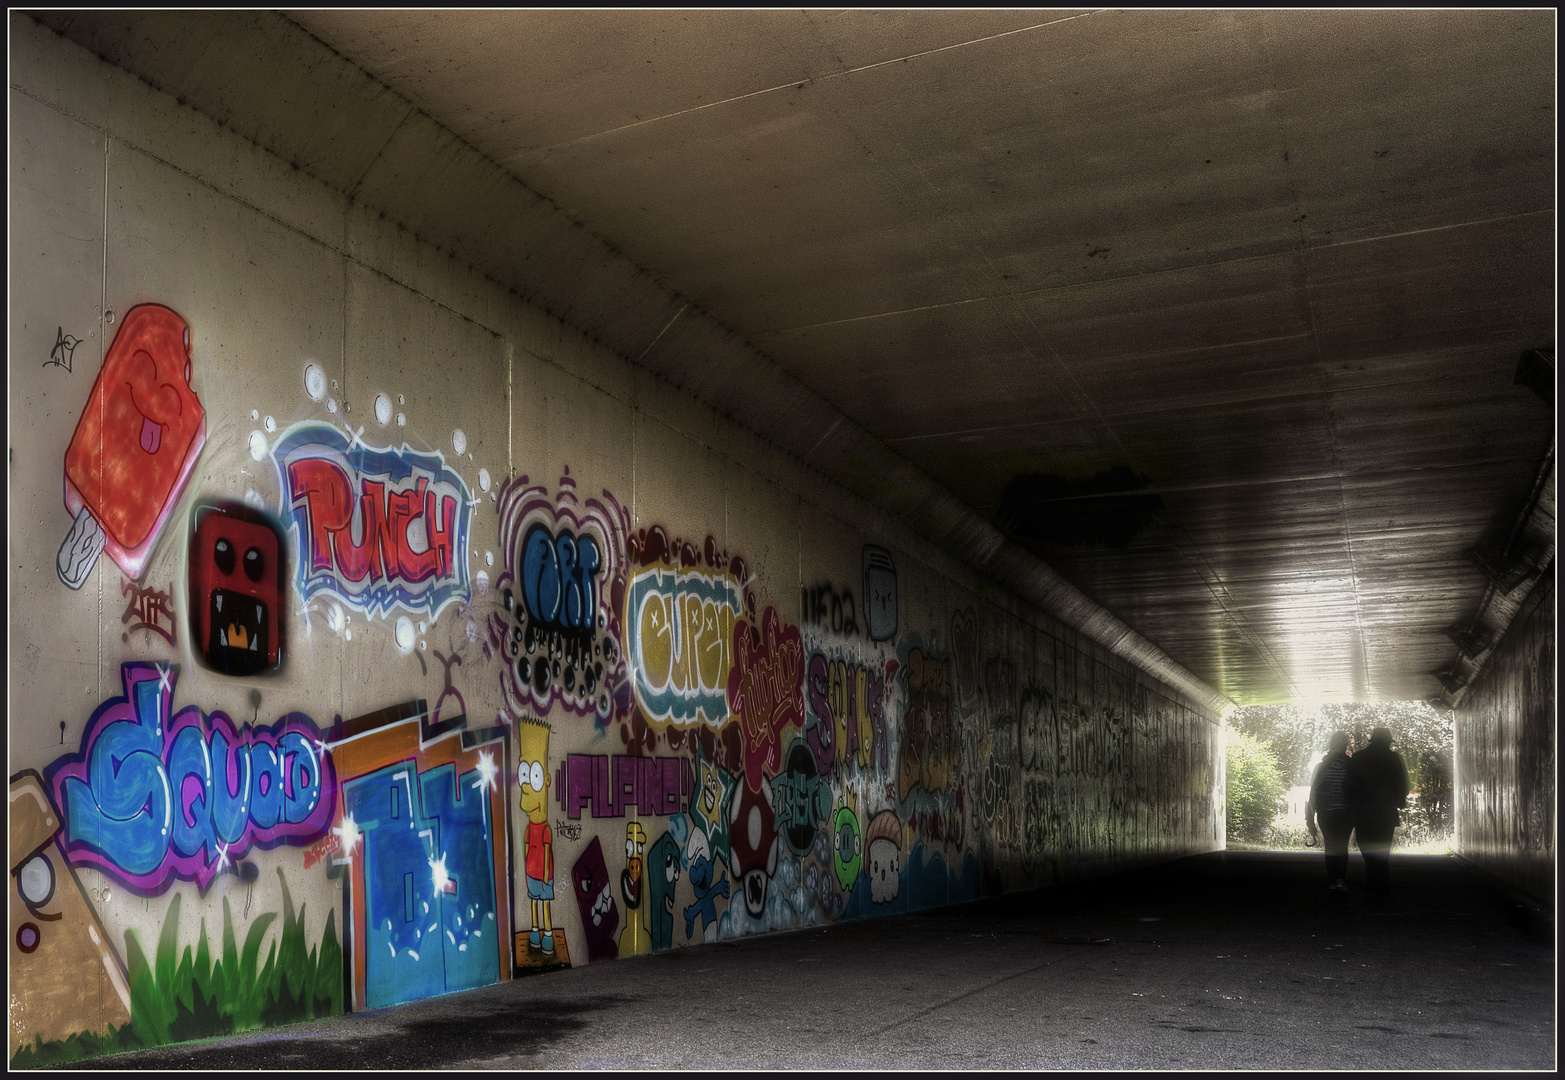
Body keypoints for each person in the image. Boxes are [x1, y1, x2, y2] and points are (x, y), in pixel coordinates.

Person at [1350, 726, 1410, 896]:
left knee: (1368, 850)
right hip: (1386, 812)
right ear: (1388, 742)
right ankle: (1382, 885)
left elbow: (1349, 786)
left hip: (1363, 812)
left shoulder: (1358, 758)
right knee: (1383, 852)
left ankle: (1372, 883)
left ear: (1372, 740)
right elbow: (1405, 787)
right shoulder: (1395, 758)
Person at [1307, 732, 1355, 892]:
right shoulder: (1352, 766)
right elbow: (1359, 791)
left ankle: (1332, 880)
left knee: (1330, 846)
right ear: (1345, 745)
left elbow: (1313, 793)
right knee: (1342, 846)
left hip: (1325, 813)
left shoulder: (1321, 767)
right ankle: (1341, 879)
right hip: (1346, 813)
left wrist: (1310, 819)